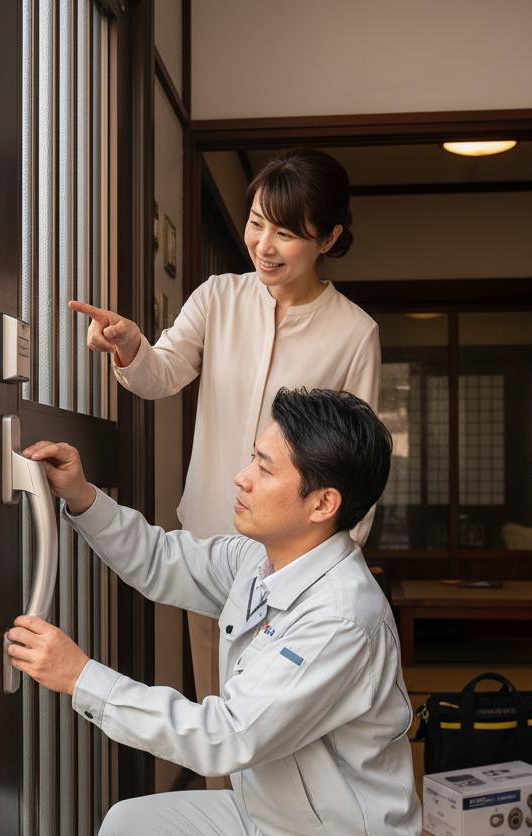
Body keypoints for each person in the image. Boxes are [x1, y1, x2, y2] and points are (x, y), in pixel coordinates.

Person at [6, 388, 421, 836]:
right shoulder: (263, 560)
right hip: (270, 829)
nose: (241, 477)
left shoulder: (340, 617)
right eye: (252, 458)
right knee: (125, 833)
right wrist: (83, 496)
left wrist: (82, 677)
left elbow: (225, 736)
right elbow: (161, 561)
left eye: (265, 467)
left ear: (322, 504)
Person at [69, 149, 381, 777]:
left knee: (285, 720)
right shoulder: (218, 296)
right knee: (218, 709)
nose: (263, 245)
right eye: (256, 223)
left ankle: (285, 826)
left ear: (328, 239)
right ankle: (226, 822)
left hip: (295, 559)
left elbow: (359, 466)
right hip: (211, 542)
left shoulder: (354, 332)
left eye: (286, 233)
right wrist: (131, 346)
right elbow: (162, 375)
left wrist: (329, 567)